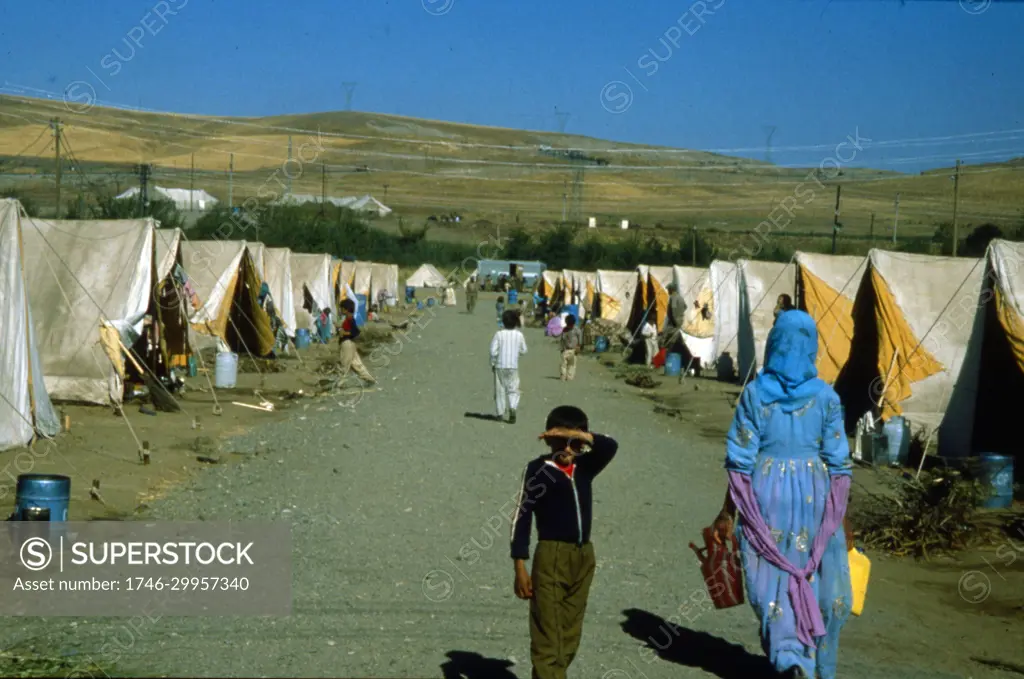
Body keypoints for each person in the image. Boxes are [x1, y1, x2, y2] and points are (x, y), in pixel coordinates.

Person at [710, 310, 855, 679]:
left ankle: (789, 657)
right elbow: (839, 466)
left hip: (765, 497)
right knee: (820, 582)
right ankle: (816, 664)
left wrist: (727, 513)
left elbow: (740, 462)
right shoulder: (827, 397)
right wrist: (843, 519)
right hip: (816, 500)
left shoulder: (756, 394)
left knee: (772, 583)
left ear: (773, 344)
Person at [510, 405, 619, 679]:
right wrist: (519, 565)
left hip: (583, 557)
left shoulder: (585, 468)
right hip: (551, 556)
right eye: (562, 441)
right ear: (549, 439)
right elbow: (521, 517)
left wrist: (579, 435)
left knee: (570, 633)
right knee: (548, 632)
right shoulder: (538, 470)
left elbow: (609, 446)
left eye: (575, 443)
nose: (569, 449)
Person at [490, 309, 527, 424]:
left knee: (500, 389)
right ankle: (513, 407)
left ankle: (500, 413)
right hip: (513, 366)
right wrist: (517, 353)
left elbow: (493, 351)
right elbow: (524, 350)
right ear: (516, 322)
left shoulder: (498, 334)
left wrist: (492, 363)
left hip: (500, 365)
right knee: (513, 388)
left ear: (503, 322)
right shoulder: (519, 335)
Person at [337, 299, 376, 386]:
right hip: (351, 344)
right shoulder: (348, 319)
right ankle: (369, 379)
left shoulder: (350, 319)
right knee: (357, 364)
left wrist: (344, 332)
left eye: (341, 308)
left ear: (345, 309)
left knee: (344, 364)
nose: (340, 310)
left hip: (346, 344)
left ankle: (338, 384)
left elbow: (355, 332)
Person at [559, 314, 583, 381]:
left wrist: (579, 347)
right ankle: (563, 376)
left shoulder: (577, 330)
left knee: (571, 365)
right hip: (565, 349)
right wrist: (561, 348)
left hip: (573, 350)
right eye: (568, 324)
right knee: (563, 364)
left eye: (570, 325)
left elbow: (580, 339)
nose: (569, 326)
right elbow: (562, 339)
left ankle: (569, 377)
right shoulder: (565, 330)